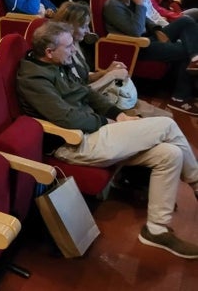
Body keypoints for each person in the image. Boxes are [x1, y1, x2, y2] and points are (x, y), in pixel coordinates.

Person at [17, 21, 198, 259]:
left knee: (170, 154)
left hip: (92, 132)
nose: (74, 50)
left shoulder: (55, 63)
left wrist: (118, 114)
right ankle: (196, 183)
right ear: (49, 52)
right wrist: (107, 122)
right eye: (69, 46)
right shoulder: (33, 79)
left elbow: (86, 93)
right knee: (167, 125)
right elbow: (67, 118)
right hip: (73, 143)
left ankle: (156, 230)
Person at [52, 0, 171, 117]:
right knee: (161, 121)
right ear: (68, 27)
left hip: (93, 95)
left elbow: (83, 77)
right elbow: (75, 93)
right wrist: (111, 76)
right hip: (85, 103)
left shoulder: (77, 44)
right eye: (84, 27)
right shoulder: (60, 54)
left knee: (165, 117)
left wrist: (107, 71)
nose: (88, 31)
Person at [103, 0, 198, 115]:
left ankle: (195, 58)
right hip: (138, 46)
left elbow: (146, 21)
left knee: (186, 21)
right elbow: (136, 31)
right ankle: (180, 97)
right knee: (183, 49)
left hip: (149, 37)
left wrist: (157, 30)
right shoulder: (113, 6)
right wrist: (141, 6)